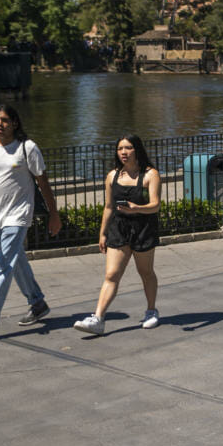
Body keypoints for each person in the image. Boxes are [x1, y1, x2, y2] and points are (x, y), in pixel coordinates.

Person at [0, 105, 61, 346]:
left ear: (15, 123)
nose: (0, 124)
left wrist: (54, 215)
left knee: (2, 266)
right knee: (15, 259)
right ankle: (37, 302)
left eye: (5, 120)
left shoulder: (26, 148)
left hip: (19, 216)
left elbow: (44, 183)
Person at [75, 135, 162, 335]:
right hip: (118, 229)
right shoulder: (112, 176)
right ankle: (98, 319)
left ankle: (151, 311)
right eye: (120, 148)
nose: (123, 152)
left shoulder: (150, 174)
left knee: (146, 272)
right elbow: (108, 207)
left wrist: (136, 208)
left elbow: (155, 205)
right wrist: (102, 233)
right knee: (112, 274)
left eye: (128, 148)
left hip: (142, 229)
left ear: (137, 150)